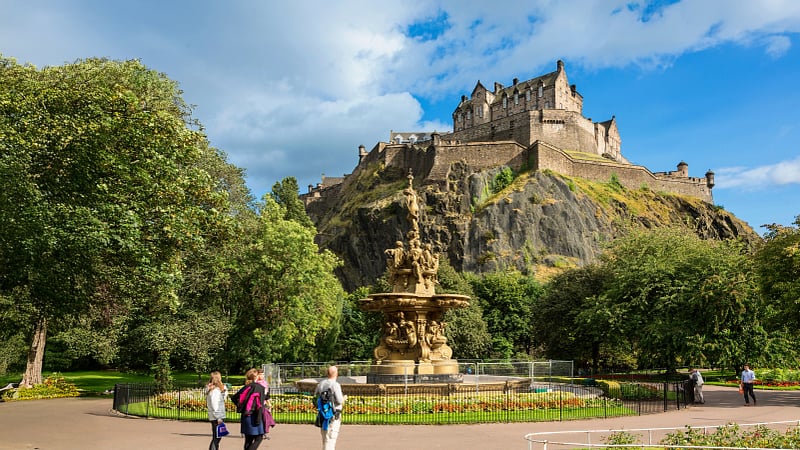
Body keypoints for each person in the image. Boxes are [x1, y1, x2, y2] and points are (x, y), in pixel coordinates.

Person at [233, 368, 267, 450]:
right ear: (256, 376)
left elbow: (234, 398)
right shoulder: (260, 388)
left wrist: (241, 406)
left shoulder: (246, 387)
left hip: (246, 415)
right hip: (255, 415)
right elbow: (260, 405)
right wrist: (259, 419)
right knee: (259, 437)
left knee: (248, 440)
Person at [315, 365, 347, 450]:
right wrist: (344, 398)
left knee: (325, 439)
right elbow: (340, 400)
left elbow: (316, 398)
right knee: (331, 440)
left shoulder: (320, 384)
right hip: (333, 414)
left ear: (327, 373)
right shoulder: (335, 385)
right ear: (336, 374)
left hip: (323, 414)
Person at [205, 371, 228, 450]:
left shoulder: (215, 390)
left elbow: (223, 399)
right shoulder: (214, 391)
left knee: (217, 437)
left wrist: (223, 392)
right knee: (216, 438)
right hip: (217, 417)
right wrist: (219, 418)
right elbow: (215, 405)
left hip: (215, 416)